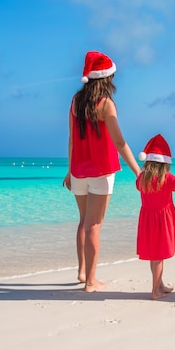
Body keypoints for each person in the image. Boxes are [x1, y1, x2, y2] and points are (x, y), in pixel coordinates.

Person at [63, 51, 141, 292]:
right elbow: (120, 142)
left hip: (78, 171)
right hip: (101, 171)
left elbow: (72, 140)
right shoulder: (106, 104)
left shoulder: (76, 101)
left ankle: (82, 271)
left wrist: (69, 170)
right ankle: (91, 282)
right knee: (94, 225)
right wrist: (138, 172)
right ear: (106, 78)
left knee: (83, 222)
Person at [136, 134, 175, 299]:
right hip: (162, 220)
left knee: (154, 255)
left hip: (147, 220)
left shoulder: (141, 179)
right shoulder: (167, 178)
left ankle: (160, 285)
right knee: (158, 256)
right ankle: (155, 291)